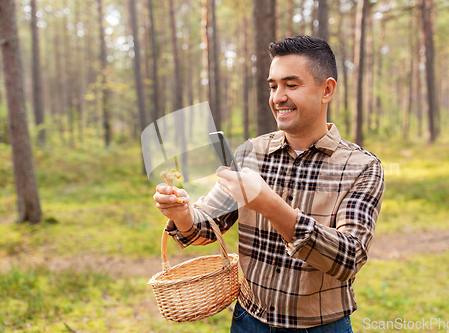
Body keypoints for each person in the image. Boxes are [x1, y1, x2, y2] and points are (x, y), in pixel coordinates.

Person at [153, 35, 385, 333]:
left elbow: (349, 258)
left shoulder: (362, 167)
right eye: (273, 86)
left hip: (320, 327)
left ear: (326, 89)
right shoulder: (250, 153)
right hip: (248, 321)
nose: (278, 97)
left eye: (291, 85)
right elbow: (206, 227)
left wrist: (270, 205)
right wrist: (182, 213)